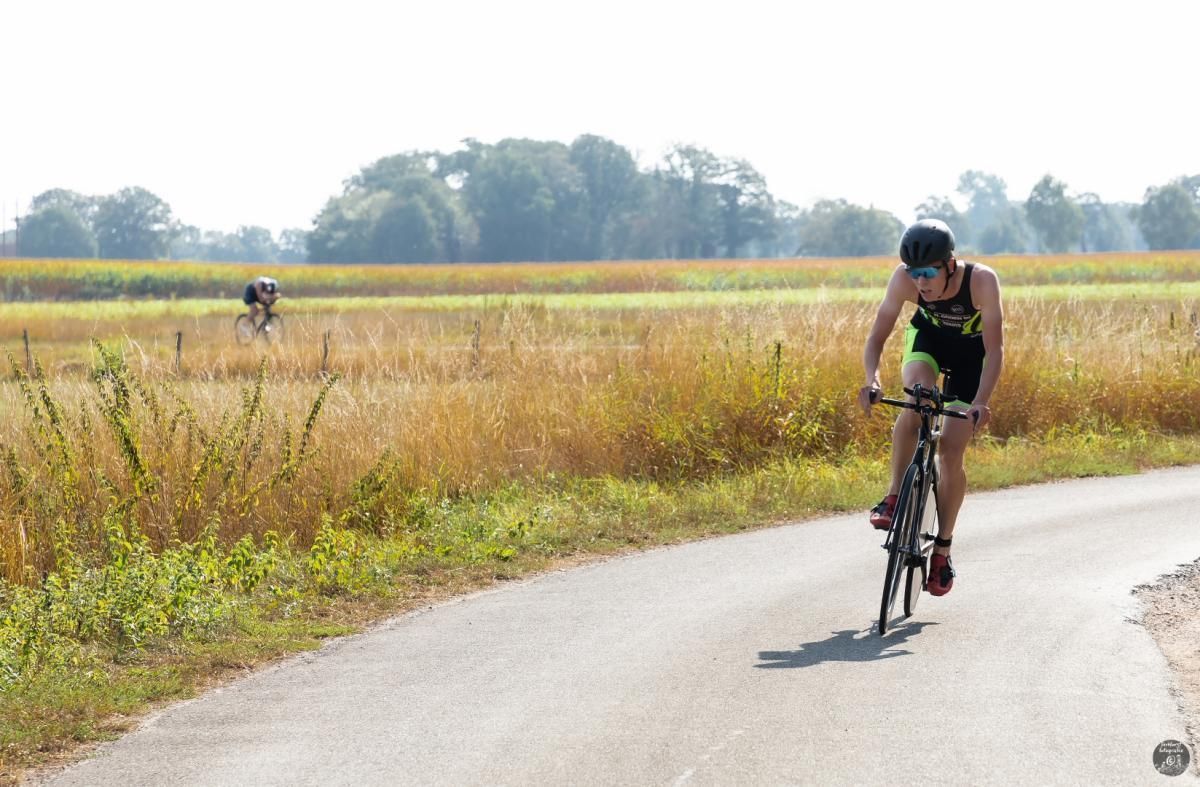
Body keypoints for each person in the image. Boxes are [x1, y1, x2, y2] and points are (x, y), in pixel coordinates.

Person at [857, 219, 1005, 596]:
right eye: (914, 272)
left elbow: (994, 350)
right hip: (929, 342)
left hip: (972, 357)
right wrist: (872, 378)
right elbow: (877, 336)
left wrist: (981, 402)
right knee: (917, 399)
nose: (920, 281)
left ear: (950, 265)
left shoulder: (981, 281)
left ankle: (942, 548)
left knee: (952, 450)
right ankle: (893, 497)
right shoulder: (904, 280)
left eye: (928, 272)